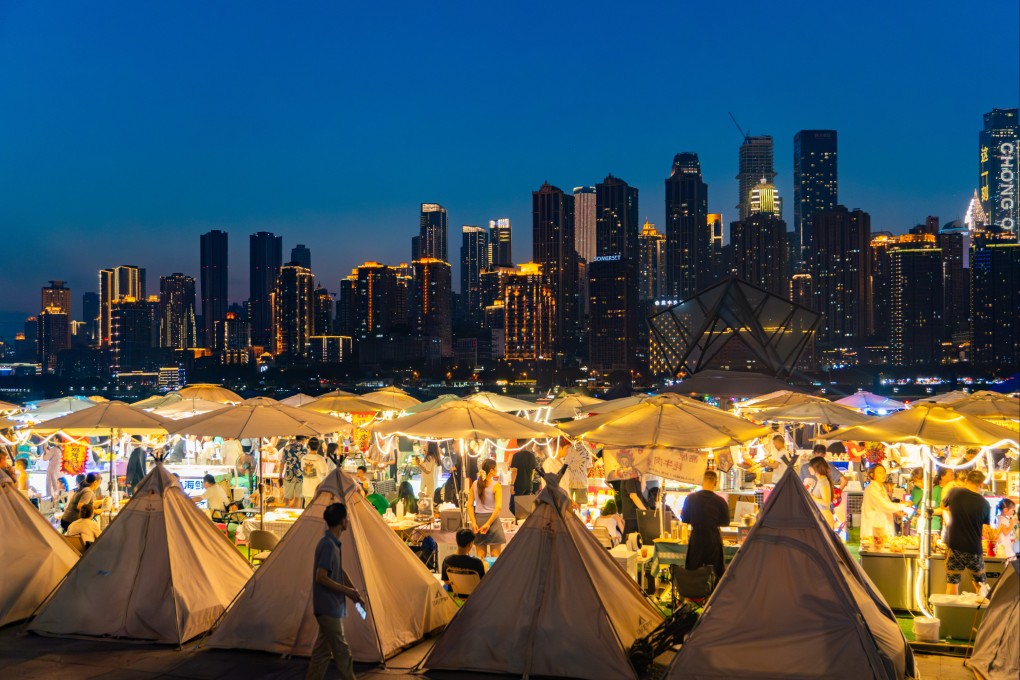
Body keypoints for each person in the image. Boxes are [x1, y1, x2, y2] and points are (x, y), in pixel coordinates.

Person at [306, 502, 362, 680]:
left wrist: (353, 591)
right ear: (342, 521)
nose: (348, 521)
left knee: (322, 653)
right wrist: (348, 591)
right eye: (346, 517)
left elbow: (339, 570)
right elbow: (321, 577)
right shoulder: (328, 545)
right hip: (328, 606)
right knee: (342, 651)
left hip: (330, 606)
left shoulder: (333, 543)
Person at [939, 469, 992, 595]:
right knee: (981, 587)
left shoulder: (955, 492)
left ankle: (951, 614)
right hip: (974, 550)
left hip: (955, 548)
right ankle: (981, 614)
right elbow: (985, 529)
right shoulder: (985, 503)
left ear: (966, 481)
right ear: (981, 484)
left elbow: (942, 506)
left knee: (952, 586)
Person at [680, 470, 730, 579]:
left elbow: (684, 519)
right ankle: (713, 595)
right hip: (713, 540)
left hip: (696, 539)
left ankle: (695, 595)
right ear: (715, 483)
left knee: (694, 571)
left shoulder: (690, 498)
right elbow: (726, 522)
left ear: (701, 482)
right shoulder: (720, 501)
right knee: (714, 572)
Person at [860, 464, 907, 546]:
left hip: (882, 527)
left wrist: (897, 512)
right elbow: (885, 505)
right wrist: (903, 505)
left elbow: (887, 504)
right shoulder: (872, 489)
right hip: (874, 529)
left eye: (884, 472)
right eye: (879, 472)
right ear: (872, 475)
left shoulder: (881, 487)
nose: (883, 474)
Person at [467, 458, 505, 558]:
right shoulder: (496, 485)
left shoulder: (475, 484)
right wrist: (488, 524)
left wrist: (473, 522)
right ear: (491, 471)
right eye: (496, 468)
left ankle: (481, 574)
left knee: (480, 557)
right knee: (495, 557)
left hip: (478, 521)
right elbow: (498, 507)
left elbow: (469, 505)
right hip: (493, 521)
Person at [804, 456, 835, 529]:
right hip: (821, 516)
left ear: (816, 468)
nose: (808, 468)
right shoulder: (820, 480)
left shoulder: (822, 482)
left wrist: (812, 497)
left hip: (824, 517)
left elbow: (826, 502)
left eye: (810, 466)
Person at [508, 445, 537, 516]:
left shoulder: (516, 455)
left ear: (518, 445)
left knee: (512, 506)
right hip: (528, 485)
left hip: (518, 485)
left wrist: (512, 485)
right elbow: (533, 471)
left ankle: (518, 521)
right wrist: (529, 481)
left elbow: (514, 471)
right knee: (524, 507)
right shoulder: (532, 456)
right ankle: (521, 522)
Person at [301, 438, 330, 507]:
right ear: (318, 446)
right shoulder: (320, 458)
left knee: (307, 510)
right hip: (317, 489)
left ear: (308, 446)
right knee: (317, 510)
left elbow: (303, 469)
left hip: (306, 488)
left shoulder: (304, 458)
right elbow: (324, 473)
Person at [563, 441, 593, 507]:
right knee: (579, 506)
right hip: (581, 481)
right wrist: (583, 474)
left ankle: (567, 517)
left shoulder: (567, 446)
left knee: (566, 504)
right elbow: (589, 466)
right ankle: (578, 516)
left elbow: (563, 462)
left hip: (568, 480)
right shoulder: (586, 447)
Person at [282, 435, 306, 508]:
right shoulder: (305, 450)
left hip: (289, 475)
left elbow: (282, 463)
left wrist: (280, 475)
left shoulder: (286, 448)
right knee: (298, 497)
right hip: (300, 476)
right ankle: (296, 515)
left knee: (287, 496)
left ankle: (284, 512)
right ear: (303, 440)